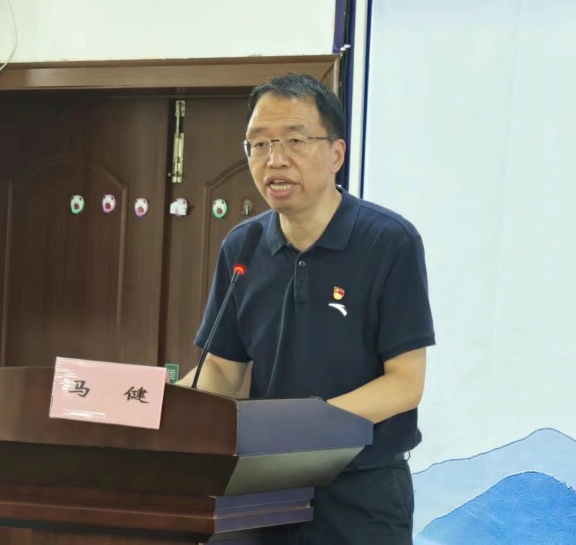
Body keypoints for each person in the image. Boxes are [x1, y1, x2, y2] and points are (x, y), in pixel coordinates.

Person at [179, 73, 435, 544]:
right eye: (259, 144)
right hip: (260, 486)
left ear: (336, 153)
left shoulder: (389, 241)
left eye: (294, 141)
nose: (274, 159)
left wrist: (302, 428)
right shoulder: (243, 245)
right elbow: (223, 373)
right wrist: (157, 407)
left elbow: (405, 383)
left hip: (360, 488)